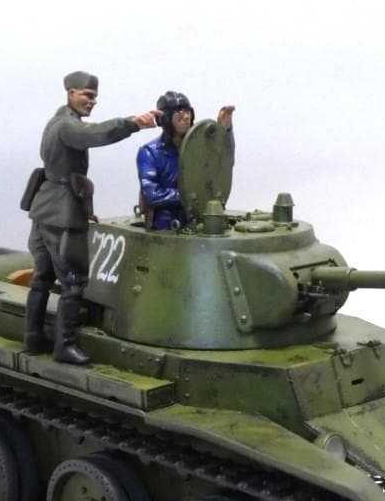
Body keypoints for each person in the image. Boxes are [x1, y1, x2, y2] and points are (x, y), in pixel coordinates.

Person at [23, 71, 160, 364]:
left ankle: (33, 337)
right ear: (71, 93)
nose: (92, 101)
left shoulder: (56, 122)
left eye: (95, 96)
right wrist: (133, 123)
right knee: (73, 280)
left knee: (42, 277)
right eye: (87, 95)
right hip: (61, 213)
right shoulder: (67, 126)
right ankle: (65, 346)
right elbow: (94, 135)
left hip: (45, 207)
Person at [136, 92, 235, 230]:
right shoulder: (149, 153)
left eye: (188, 111)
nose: (186, 116)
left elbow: (223, 163)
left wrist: (224, 131)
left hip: (199, 224)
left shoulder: (198, 149)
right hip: (166, 229)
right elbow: (152, 194)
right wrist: (190, 195)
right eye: (179, 112)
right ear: (166, 118)